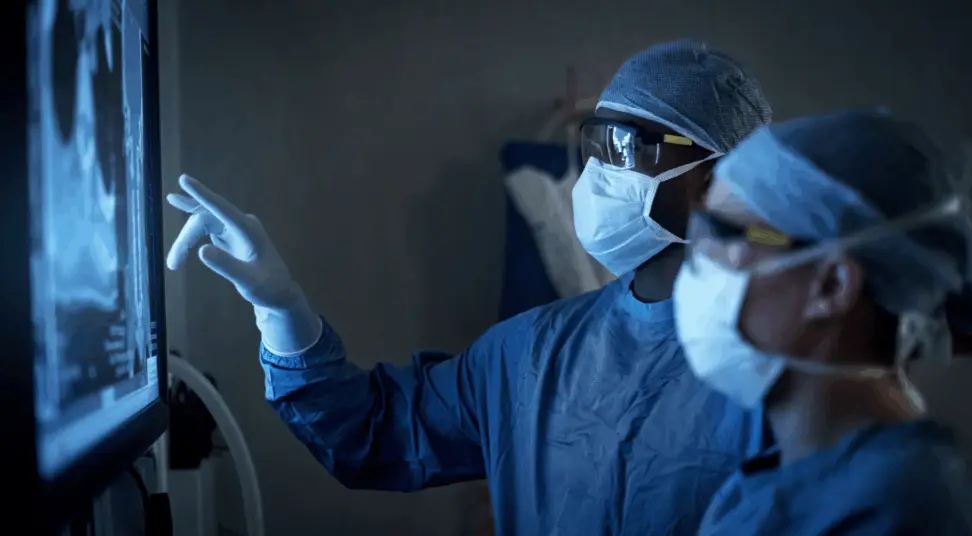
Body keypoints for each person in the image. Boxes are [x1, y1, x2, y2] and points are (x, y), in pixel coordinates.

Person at [165, 39, 773, 535]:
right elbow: (372, 434)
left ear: (714, 179)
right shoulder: (533, 352)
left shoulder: (786, 367)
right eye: (595, 144)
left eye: (625, 149)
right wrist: (283, 313)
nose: (598, 175)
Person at [671, 109, 972, 535]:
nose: (700, 264)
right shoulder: (780, 478)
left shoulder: (900, 510)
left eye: (723, 235)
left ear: (831, 285)